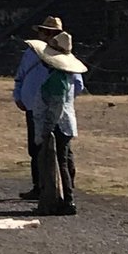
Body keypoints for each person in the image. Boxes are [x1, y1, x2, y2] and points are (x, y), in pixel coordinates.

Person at [24, 29, 86, 216]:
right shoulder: (59, 77)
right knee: (60, 161)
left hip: (56, 126)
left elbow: (56, 108)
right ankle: (60, 199)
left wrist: (47, 129)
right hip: (60, 124)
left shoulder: (58, 79)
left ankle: (66, 200)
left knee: (59, 162)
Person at [12, 16, 63, 201]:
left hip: (54, 109)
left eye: (53, 33)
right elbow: (20, 76)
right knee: (35, 149)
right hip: (33, 108)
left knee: (58, 150)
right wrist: (18, 96)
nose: (48, 36)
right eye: (45, 32)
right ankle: (38, 186)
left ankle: (60, 189)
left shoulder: (62, 54)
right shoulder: (30, 53)